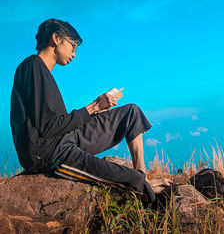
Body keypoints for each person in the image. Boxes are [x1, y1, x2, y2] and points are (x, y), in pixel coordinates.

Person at [10, 18, 170, 202]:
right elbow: (47, 127)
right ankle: (143, 185)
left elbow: (57, 121)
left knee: (130, 112)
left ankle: (143, 175)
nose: (74, 53)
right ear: (55, 38)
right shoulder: (31, 66)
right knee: (133, 180)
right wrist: (93, 107)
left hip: (67, 137)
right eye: (73, 46)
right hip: (50, 154)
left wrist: (95, 110)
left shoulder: (44, 74)